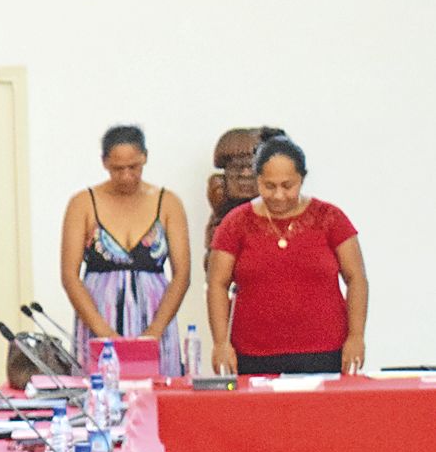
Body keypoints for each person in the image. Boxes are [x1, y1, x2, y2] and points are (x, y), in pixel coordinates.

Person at [207, 134, 368, 375]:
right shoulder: (235, 224)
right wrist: (221, 343)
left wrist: (356, 336)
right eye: (269, 186)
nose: (279, 195)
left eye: (287, 185)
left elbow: (356, 278)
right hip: (253, 354)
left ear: (302, 179)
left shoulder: (330, 218)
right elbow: (217, 285)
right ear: (257, 179)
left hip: (324, 351)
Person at [59, 124, 191, 374]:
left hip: (155, 313)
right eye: (118, 169)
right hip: (99, 313)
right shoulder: (83, 203)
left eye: (134, 167)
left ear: (145, 158)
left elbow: (182, 275)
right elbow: (69, 275)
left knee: (156, 391)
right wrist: (104, 332)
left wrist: (154, 332)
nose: (127, 176)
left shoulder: (168, 203)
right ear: (104, 163)